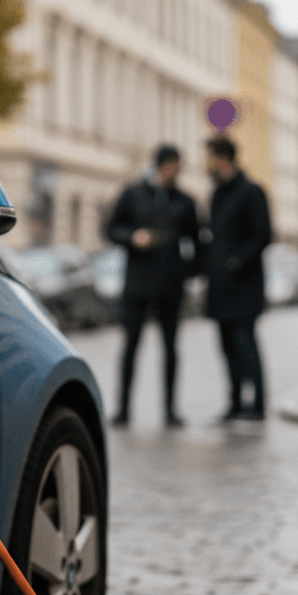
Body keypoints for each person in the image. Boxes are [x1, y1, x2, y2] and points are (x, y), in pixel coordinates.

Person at [106, 144, 199, 427]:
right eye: (175, 165)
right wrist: (133, 237)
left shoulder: (185, 201)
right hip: (137, 284)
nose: (178, 171)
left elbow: (197, 240)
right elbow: (110, 229)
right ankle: (123, 409)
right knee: (131, 346)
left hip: (171, 287)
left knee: (171, 349)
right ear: (162, 165)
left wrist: (186, 271)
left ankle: (170, 410)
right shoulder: (133, 194)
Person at [203, 135, 272, 421]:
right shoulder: (216, 194)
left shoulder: (252, 191)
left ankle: (257, 404)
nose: (205, 164)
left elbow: (264, 235)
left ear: (223, 158)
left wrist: (236, 261)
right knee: (226, 346)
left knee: (246, 344)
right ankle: (234, 403)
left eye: (208, 157)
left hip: (245, 286)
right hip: (220, 286)